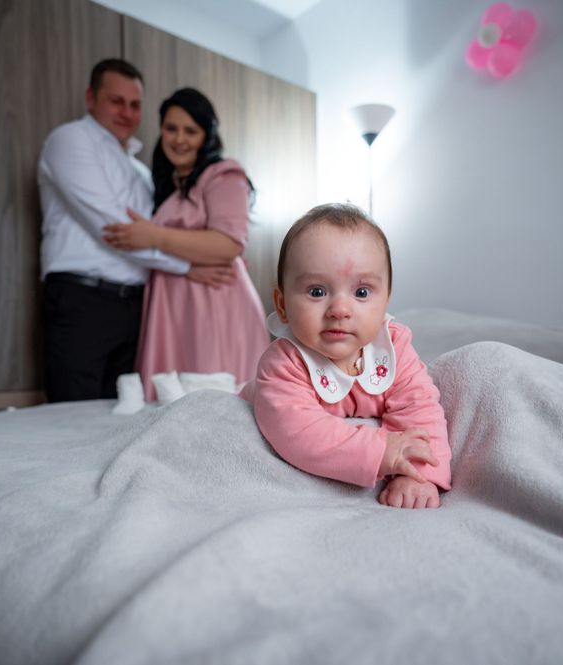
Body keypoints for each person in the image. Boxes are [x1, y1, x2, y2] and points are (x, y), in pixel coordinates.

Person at [38, 60, 234, 403]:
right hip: (83, 299)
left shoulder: (142, 173)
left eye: (135, 105)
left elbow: (150, 233)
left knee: (124, 411)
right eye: (116, 101)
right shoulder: (70, 140)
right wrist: (187, 266)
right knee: (73, 412)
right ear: (91, 98)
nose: (127, 113)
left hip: (136, 307)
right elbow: (117, 231)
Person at [240, 203, 452, 509]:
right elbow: (301, 433)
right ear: (282, 305)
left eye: (362, 292)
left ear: (386, 301)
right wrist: (382, 450)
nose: (339, 310)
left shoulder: (392, 349)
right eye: (317, 292)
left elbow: (420, 409)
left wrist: (417, 473)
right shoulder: (284, 364)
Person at [103, 88, 269, 400]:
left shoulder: (223, 176)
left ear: (207, 135)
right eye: (171, 128)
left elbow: (229, 244)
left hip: (214, 303)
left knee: (212, 397)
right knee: (169, 402)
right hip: (171, 302)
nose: (179, 139)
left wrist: (153, 236)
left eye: (191, 131)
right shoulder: (164, 183)